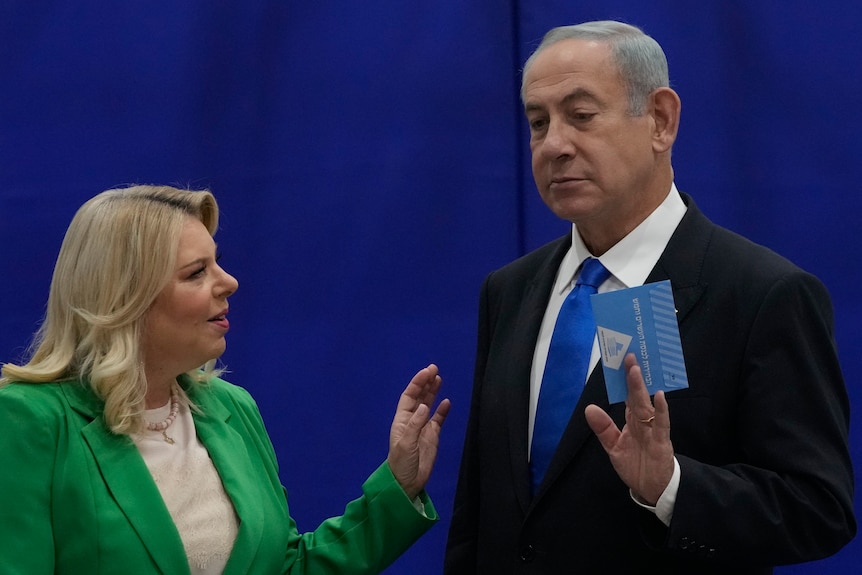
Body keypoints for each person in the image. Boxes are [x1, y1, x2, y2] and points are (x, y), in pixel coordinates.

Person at [444, 20, 855, 574]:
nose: (555, 145)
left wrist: (670, 488)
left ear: (660, 119)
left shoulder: (762, 294)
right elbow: (483, 508)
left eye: (581, 116)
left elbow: (817, 509)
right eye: (538, 123)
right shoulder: (510, 290)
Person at [0, 185, 451, 574]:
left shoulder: (232, 407)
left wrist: (398, 486)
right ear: (125, 298)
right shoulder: (28, 420)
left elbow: (284, 568)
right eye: (197, 273)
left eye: (218, 263)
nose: (230, 282)